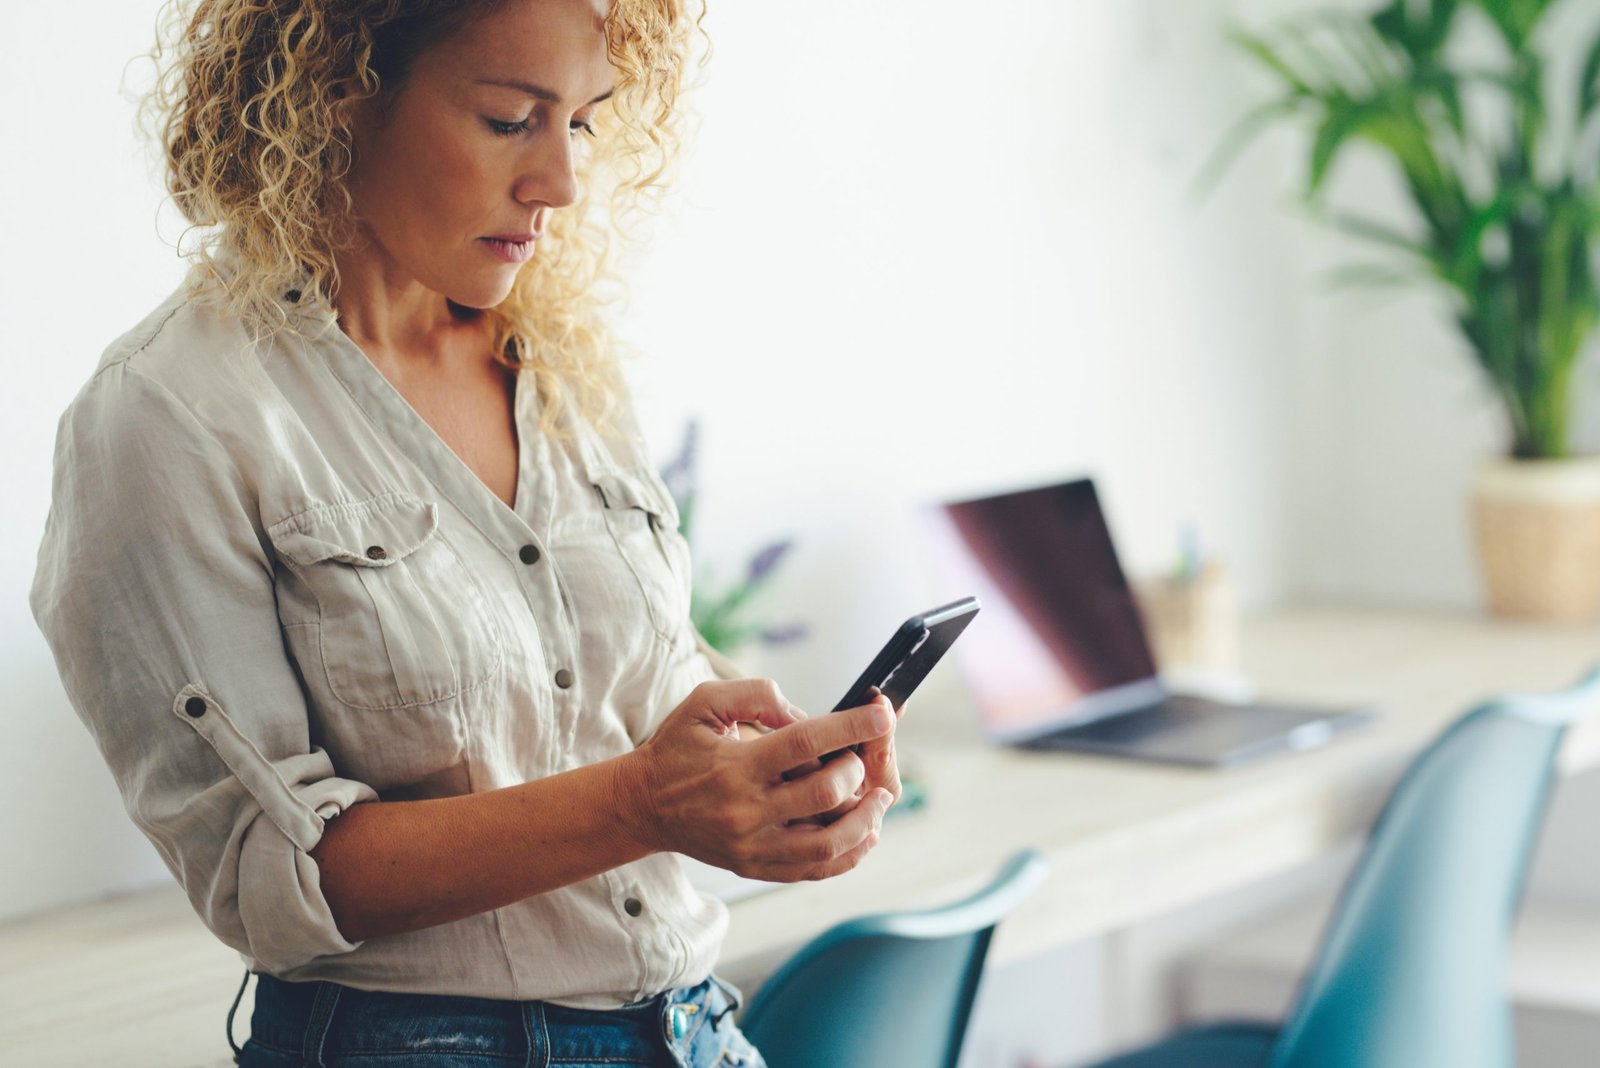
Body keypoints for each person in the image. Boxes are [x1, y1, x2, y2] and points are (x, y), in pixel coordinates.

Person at [28, 1, 902, 1064]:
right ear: (338, 93)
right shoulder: (170, 413)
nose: (561, 183)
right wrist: (645, 802)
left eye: (581, 122)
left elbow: (632, 687)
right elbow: (271, 876)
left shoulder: (559, 360)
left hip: (691, 1028)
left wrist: (768, 772)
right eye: (507, 120)